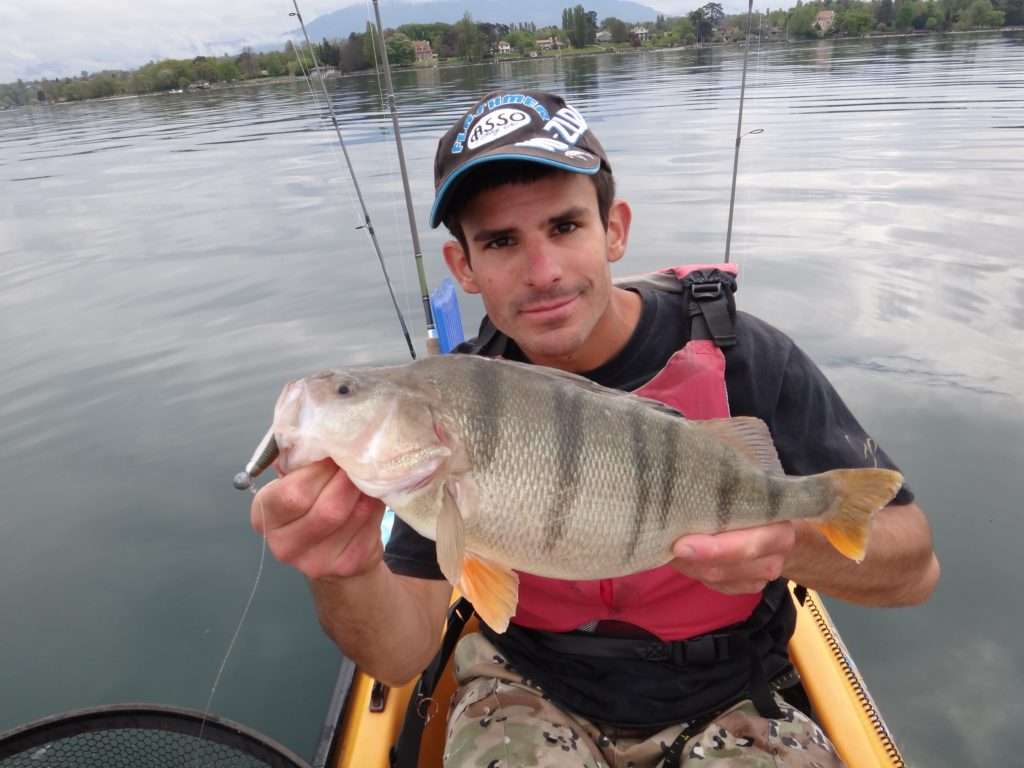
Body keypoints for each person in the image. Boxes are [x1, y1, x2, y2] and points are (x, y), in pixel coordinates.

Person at [251, 90, 939, 767]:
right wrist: (344, 569)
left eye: (565, 227)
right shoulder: (457, 405)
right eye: (500, 241)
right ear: (463, 266)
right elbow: (399, 657)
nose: (544, 272)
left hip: (732, 693)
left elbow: (916, 570)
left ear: (614, 229)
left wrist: (789, 545)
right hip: (526, 694)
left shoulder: (749, 359)